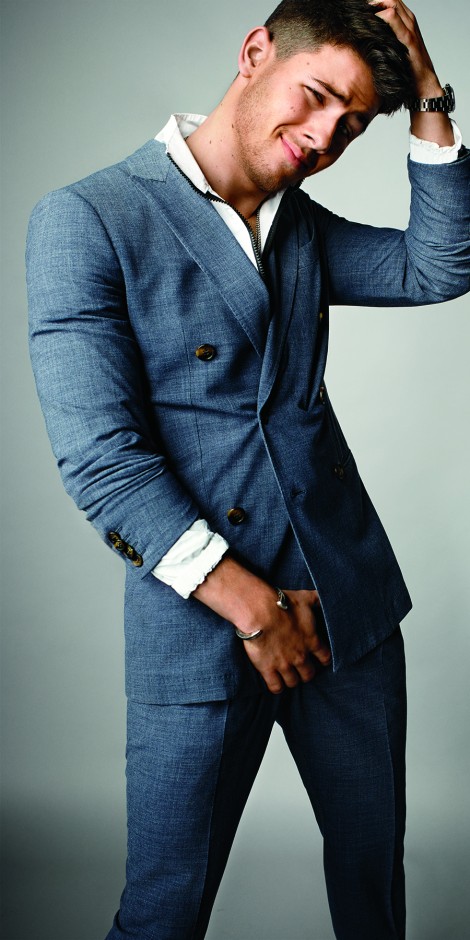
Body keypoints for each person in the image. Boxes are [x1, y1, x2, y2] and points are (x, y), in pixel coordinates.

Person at [26, 0, 469, 936]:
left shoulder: (298, 226)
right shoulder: (89, 218)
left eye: (353, 123)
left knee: (373, 895)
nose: (326, 136)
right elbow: (102, 460)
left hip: (345, 608)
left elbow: (437, 267)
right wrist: (255, 612)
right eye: (318, 96)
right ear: (255, 50)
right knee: (165, 907)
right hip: (203, 618)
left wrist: (430, 94)